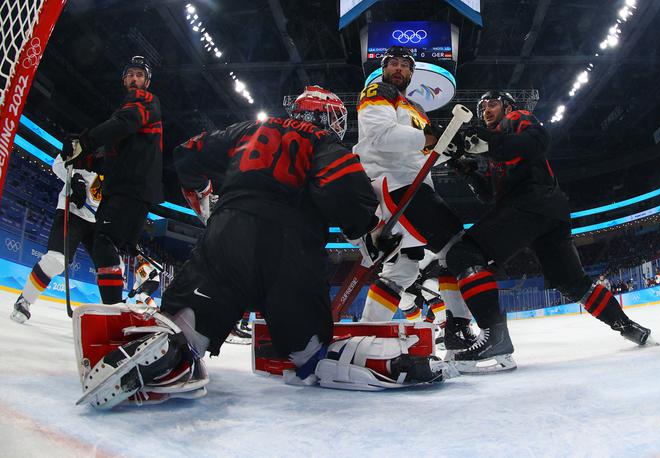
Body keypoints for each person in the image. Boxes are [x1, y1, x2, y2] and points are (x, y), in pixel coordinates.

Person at [73, 86, 457, 409]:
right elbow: (344, 191)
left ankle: (173, 353)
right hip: (292, 249)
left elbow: (187, 152)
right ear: (323, 119)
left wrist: (203, 188)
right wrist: (369, 232)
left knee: (191, 319)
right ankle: (319, 357)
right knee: (308, 353)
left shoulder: (246, 129)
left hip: (226, 234)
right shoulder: (322, 142)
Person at [443, 90, 652, 373]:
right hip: (549, 211)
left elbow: (537, 142)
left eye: (492, 104)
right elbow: (490, 196)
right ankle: (628, 327)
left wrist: (487, 142)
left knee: (463, 253)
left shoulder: (517, 118)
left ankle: (495, 337)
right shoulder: (499, 145)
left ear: (507, 106)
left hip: (532, 204)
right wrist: (468, 171)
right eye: (482, 108)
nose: (486, 111)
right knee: (573, 284)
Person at [353, 46, 474, 345]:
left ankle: (369, 334)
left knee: (404, 271)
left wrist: (449, 151)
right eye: (392, 63)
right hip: (396, 188)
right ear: (383, 69)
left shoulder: (416, 110)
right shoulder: (377, 91)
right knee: (457, 248)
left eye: (404, 66)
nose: (398, 69)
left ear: (411, 73)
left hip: (410, 184)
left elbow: (419, 156)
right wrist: (430, 138)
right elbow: (381, 137)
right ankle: (458, 331)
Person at [60, 56, 163, 305]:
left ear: (147, 82)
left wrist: (85, 142)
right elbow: (116, 148)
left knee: (104, 242)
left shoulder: (144, 100)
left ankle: (113, 310)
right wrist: (86, 153)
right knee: (105, 244)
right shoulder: (128, 109)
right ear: (124, 79)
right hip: (127, 187)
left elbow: (123, 124)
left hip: (131, 187)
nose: (134, 79)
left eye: (140, 75)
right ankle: (115, 308)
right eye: (130, 75)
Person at [10, 154, 103, 323]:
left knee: (114, 267)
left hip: (97, 220)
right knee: (56, 260)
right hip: (72, 211)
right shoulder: (83, 140)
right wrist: (74, 178)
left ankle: (110, 316)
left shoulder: (121, 153)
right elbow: (57, 164)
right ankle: (25, 300)